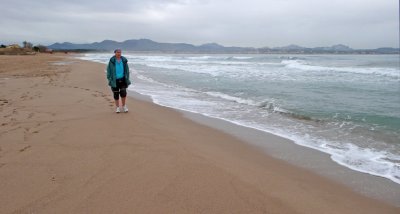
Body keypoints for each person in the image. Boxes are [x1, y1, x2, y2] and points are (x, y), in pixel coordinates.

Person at [106, 49, 131, 113]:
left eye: (120, 52)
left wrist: (127, 78)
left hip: (122, 79)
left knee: (123, 93)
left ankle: (124, 106)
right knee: (116, 94)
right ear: (115, 53)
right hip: (114, 80)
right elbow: (108, 70)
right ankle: (117, 107)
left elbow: (127, 70)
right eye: (117, 52)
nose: (119, 53)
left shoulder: (124, 60)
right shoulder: (112, 61)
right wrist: (109, 78)